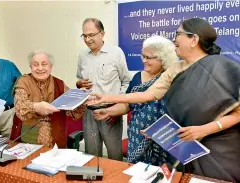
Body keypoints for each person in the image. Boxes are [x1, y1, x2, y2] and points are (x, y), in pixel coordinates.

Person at [89, 18, 240, 182]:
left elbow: (237, 114)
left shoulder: (224, 67)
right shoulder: (176, 69)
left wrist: (204, 129)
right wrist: (108, 97)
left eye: (178, 34)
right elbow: (148, 94)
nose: (174, 39)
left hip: (218, 148)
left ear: (194, 39)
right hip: (186, 146)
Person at [94, 35, 178, 165]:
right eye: (143, 56)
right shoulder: (137, 77)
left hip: (162, 138)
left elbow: (178, 113)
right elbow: (127, 104)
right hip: (136, 135)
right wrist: (109, 111)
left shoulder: (171, 80)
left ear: (163, 58)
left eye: (148, 57)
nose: (144, 60)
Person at [76, 18, 131, 160]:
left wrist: (116, 110)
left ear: (102, 34)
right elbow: (79, 80)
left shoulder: (116, 53)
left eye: (91, 35)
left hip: (110, 113)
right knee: (91, 156)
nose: (88, 39)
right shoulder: (82, 55)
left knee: (114, 157)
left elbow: (126, 82)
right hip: (89, 112)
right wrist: (79, 84)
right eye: (85, 36)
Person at [13, 50, 85, 148]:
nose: (40, 68)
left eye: (44, 64)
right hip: (28, 139)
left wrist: (82, 99)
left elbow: (72, 112)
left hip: (56, 139)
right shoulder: (23, 82)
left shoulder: (59, 84)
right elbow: (20, 108)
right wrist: (37, 107)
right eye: (35, 65)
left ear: (50, 67)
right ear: (31, 67)